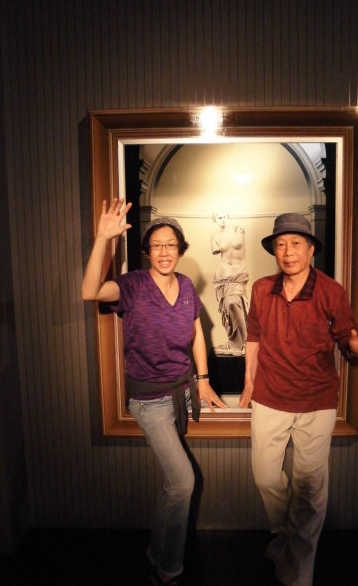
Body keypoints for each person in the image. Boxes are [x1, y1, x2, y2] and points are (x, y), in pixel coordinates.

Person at [239, 213, 358, 586]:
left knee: (309, 489)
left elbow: (347, 339)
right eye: (280, 245)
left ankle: (296, 576)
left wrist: (357, 348)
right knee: (265, 477)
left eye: (296, 244)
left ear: (310, 250)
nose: (287, 252)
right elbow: (254, 336)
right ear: (274, 251)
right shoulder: (261, 289)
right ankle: (286, 536)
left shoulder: (330, 291)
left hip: (316, 400)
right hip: (269, 396)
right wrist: (249, 382)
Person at [82, 198, 226, 586]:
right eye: (157, 245)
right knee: (183, 482)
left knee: (173, 484)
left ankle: (156, 550)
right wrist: (102, 239)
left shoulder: (186, 285)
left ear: (181, 250)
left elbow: (197, 332)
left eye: (171, 245)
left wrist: (203, 378)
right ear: (147, 252)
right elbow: (90, 291)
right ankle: (166, 568)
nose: (164, 252)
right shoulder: (132, 285)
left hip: (182, 391)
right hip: (150, 400)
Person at [210, 211, 249, 355]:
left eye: (224, 216)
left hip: (238, 274)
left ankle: (245, 342)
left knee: (234, 303)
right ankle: (236, 343)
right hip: (223, 276)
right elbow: (217, 252)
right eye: (219, 218)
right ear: (215, 220)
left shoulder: (239, 230)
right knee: (229, 308)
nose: (222, 220)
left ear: (228, 217)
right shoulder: (215, 237)